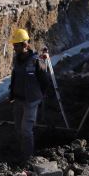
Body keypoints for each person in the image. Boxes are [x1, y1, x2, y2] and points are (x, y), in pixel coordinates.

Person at [9, 29, 51, 162]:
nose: (14, 48)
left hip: (31, 101)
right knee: (17, 128)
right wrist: (11, 94)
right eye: (14, 45)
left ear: (25, 45)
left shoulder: (36, 61)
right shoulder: (16, 60)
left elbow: (45, 80)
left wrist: (40, 96)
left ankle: (27, 157)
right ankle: (20, 151)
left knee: (26, 130)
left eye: (16, 45)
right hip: (18, 99)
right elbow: (14, 77)